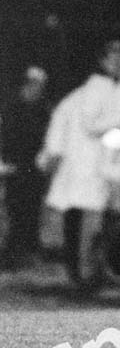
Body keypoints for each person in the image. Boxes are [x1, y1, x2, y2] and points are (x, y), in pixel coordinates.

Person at [39, 38, 120, 287]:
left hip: (106, 166)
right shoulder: (93, 89)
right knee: (81, 223)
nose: (118, 62)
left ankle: (93, 271)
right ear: (102, 61)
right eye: (113, 57)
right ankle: (80, 274)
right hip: (84, 167)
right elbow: (91, 125)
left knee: (99, 224)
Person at [0, 66, 51, 270]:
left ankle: (28, 249)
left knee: (32, 208)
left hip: (34, 166)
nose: (38, 88)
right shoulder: (12, 107)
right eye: (35, 83)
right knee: (14, 208)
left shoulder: (43, 108)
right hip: (14, 165)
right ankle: (12, 251)